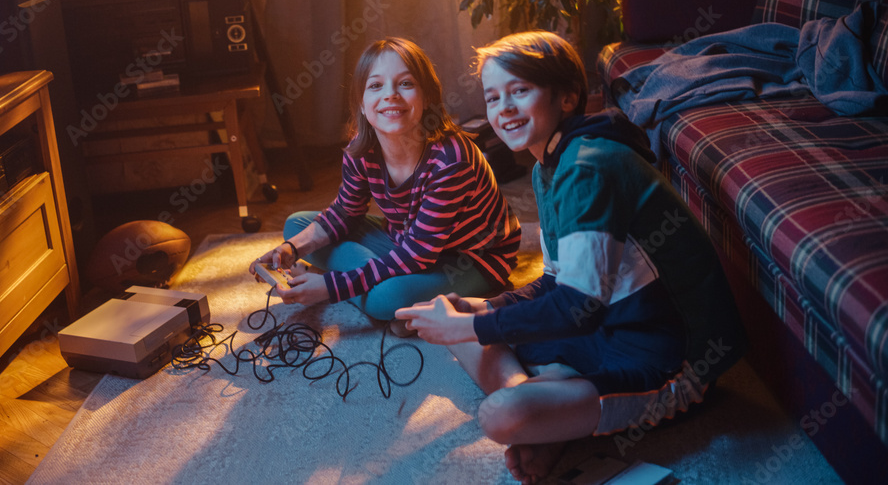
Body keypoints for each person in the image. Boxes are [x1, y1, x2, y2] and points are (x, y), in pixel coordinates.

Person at [395, 31, 747, 484]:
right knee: (460, 321)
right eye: (493, 96)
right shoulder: (549, 166)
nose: (502, 108)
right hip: (606, 328)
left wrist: (470, 326)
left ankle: (548, 418)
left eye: (520, 91)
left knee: (500, 414)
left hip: (670, 358)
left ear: (567, 97)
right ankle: (552, 420)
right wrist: (484, 310)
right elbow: (553, 282)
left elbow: (578, 307)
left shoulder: (587, 167)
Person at [251, 37, 521, 326]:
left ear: (427, 96)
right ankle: (377, 284)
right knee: (296, 227)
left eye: (405, 84)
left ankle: (371, 287)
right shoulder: (361, 149)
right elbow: (346, 211)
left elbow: (419, 255)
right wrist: (291, 250)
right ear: (363, 105)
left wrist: (331, 287)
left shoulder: (452, 160)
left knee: (384, 299)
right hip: (405, 242)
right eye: (376, 86)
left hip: (470, 258)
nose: (390, 94)